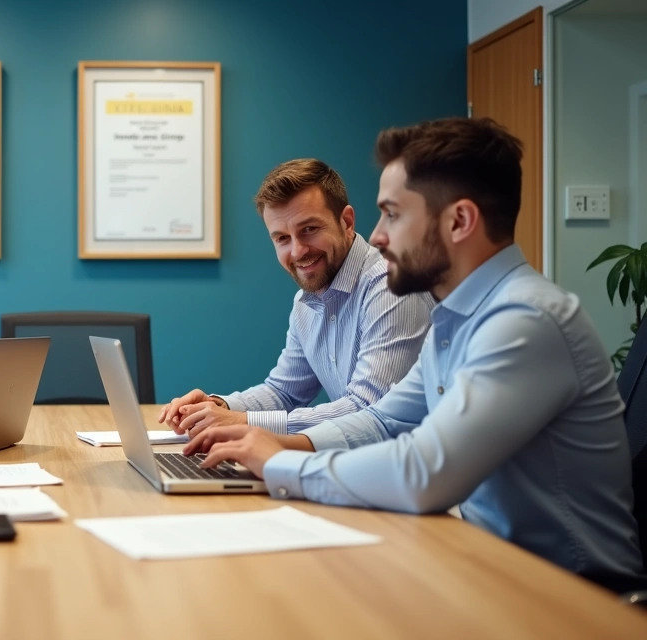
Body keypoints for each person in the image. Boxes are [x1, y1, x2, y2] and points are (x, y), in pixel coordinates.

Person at [187, 117, 645, 591]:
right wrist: (271, 445)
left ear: (459, 221)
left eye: (393, 214)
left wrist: (280, 463)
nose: (379, 236)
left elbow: (425, 471)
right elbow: (383, 421)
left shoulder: (525, 321)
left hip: (572, 596)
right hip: (491, 567)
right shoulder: (458, 317)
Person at [158, 159, 432, 438]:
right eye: (282, 239)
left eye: (309, 229)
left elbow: (368, 410)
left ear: (346, 222)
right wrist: (218, 407)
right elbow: (284, 392)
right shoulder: (307, 301)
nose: (298, 251)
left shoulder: (392, 286)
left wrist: (242, 422)